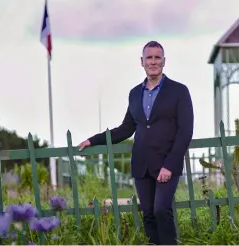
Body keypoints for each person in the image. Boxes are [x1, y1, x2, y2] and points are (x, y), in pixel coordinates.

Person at [78, 41, 194, 245]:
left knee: (161, 210)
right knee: (148, 214)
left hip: (166, 164)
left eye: (157, 57)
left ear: (164, 61)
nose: (153, 62)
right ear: (142, 62)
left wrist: (170, 165)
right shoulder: (134, 94)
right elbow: (125, 129)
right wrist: (93, 140)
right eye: (149, 57)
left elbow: (185, 131)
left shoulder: (179, 91)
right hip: (141, 164)